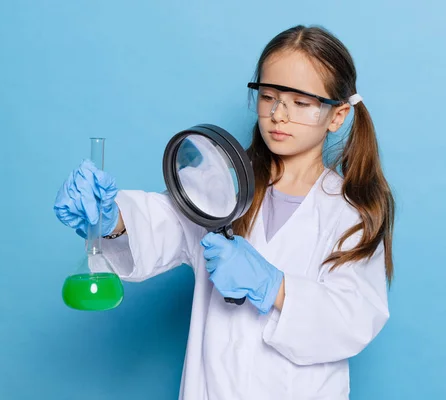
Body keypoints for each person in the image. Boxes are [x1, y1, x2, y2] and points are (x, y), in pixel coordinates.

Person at [54, 24, 395, 400]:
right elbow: (159, 225)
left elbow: (355, 319)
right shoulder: (218, 187)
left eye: (300, 103)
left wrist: (274, 287)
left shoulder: (349, 214)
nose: (279, 114)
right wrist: (110, 219)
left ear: (337, 115)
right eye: (268, 97)